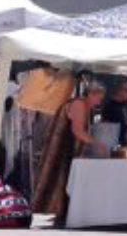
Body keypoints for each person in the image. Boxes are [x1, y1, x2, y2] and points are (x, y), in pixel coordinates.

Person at [32, 81, 107, 218]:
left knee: (62, 179)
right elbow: (77, 131)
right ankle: (56, 211)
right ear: (90, 94)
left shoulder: (85, 106)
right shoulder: (79, 104)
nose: (99, 102)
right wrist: (97, 143)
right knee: (59, 178)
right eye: (98, 98)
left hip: (67, 146)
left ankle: (60, 211)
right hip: (63, 145)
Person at [101, 79, 127, 144]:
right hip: (114, 143)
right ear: (119, 90)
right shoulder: (109, 106)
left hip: (126, 143)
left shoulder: (126, 105)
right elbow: (105, 126)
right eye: (126, 90)